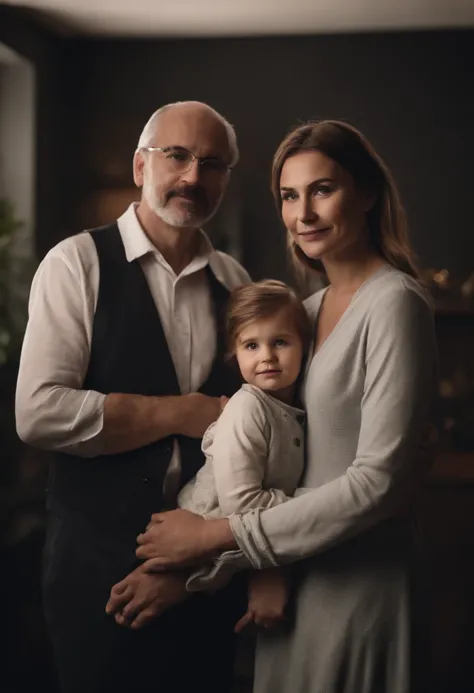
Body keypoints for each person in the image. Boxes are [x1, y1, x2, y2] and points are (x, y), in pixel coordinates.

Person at [135, 119, 438, 693]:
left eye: (323, 190)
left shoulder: (396, 302)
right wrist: (243, 569)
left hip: (360, 580)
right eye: (289, 196)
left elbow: (375, 483)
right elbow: (279, 463)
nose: (304, 213)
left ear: (368, 193)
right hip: (294, 580)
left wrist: (214, 536)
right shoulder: (304, 309)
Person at [15, 101, 250, 693]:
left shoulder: (238, 284)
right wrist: (181, 414)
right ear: (141, 166)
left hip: (205, 579)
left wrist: (198, 570)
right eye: (178, 155)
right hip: (97, 575)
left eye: (213, 163)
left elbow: (256, 439)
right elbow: (38, 412)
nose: (194, 176)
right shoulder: (75, 264)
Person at [110, 279, 310, 631]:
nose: (267, 356)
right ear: (235, 354)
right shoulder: (248, 407)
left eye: (280, 342)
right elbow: (241, 504)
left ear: (304, 346)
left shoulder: (290, 411)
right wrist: (309, 506)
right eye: (252, 345)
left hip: (226, 555)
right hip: (192, 548)